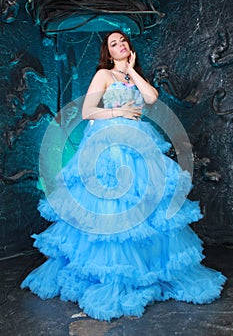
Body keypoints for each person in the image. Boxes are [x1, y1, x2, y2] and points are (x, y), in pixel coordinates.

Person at [21, 30, 226, 321]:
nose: (120, 45)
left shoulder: (131, 75)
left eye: (123, 41)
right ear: (107, 52)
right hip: (109, 143)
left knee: (146, 205)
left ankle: (144, 269)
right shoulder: (104, 75)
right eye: (113, 43)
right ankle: (112, 273)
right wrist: (118, 113)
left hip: (140, 142)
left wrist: (131, 69)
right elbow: (88, 111)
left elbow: (151, 98)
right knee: (112, 204)